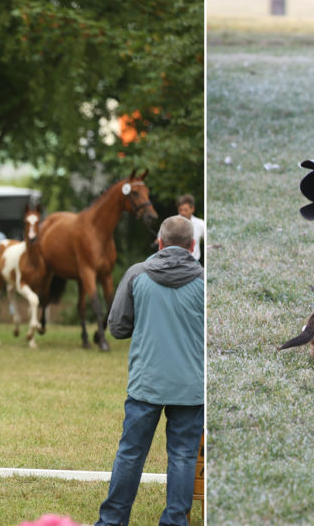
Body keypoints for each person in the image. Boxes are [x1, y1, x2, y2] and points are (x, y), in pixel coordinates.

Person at [96, 215, 203, 526]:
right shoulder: (204, 281)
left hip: (146, 383)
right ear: (192, 246)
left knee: (130, 454)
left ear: (160, 243)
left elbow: (116, 327)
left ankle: (112, 521)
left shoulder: (136, 274)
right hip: (191, 386)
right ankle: (174, 521)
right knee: (183, 457)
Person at [176, 194, 204, 263]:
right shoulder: (171, 223)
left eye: (186, 210)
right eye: (180, 210)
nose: (183, 213)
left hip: (194, 263)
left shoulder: (200, 224)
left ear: (192, 209)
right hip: (175, 264)